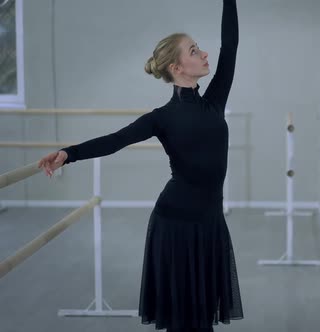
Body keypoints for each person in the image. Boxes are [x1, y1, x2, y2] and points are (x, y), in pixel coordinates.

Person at [37, 0, 242, 330]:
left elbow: (229, 46)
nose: (204, 55)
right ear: (177, 67)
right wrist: (68, 153)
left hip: (210, 224)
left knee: (203, 319)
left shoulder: (214, 101)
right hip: (175, 224)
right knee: (183, 321)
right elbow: (115, 140)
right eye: (194, 51)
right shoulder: (161, 118)